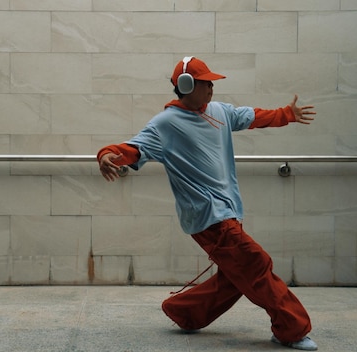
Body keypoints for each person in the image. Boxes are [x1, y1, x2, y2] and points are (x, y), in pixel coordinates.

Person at [97, 56, 318, 351]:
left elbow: (251, 116)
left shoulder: (219, 112)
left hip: (229, 211)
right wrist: (107, 154)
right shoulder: (166, 124)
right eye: (205, 82)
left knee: (236, 276)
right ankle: (291, 329)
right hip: (208, 216)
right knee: (255, 262)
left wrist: (286, 114)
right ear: (186, 86)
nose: (211, 87)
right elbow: (134, 148)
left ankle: (185, 312)